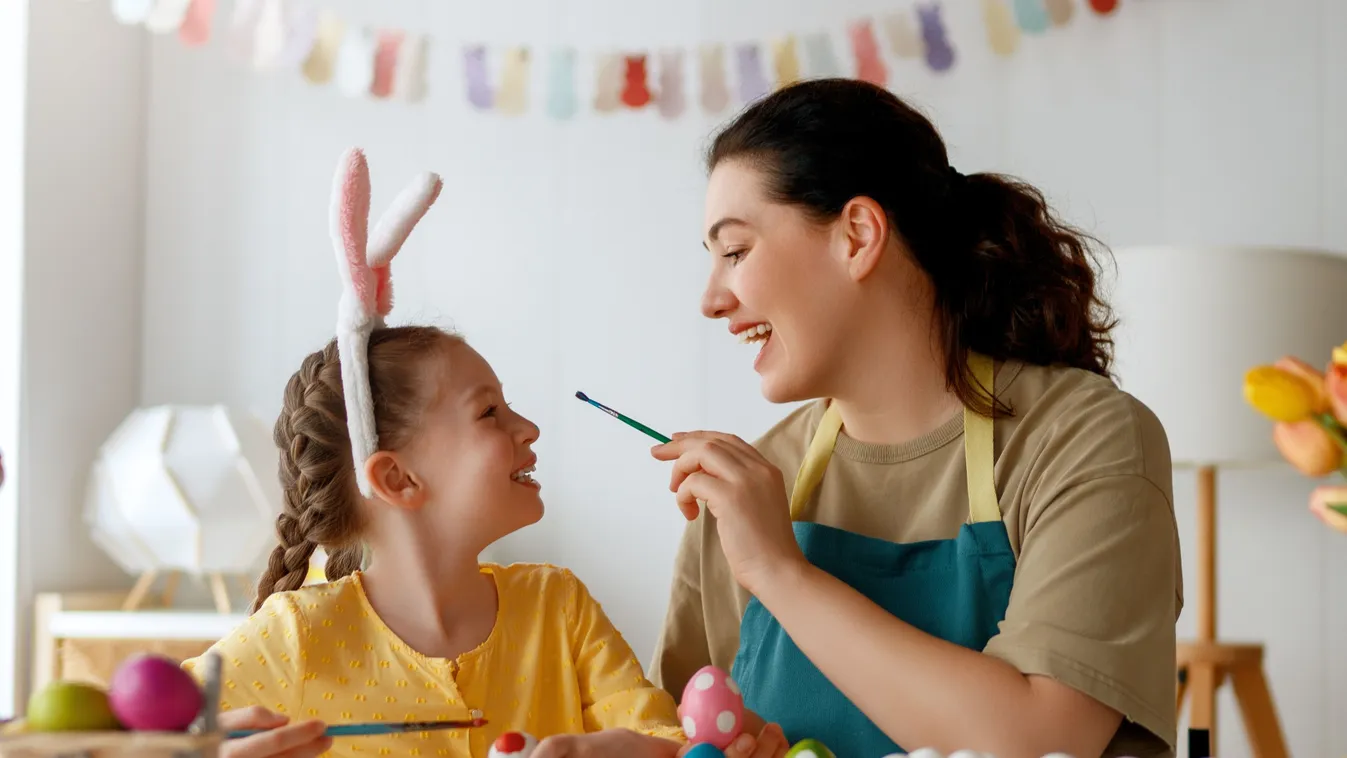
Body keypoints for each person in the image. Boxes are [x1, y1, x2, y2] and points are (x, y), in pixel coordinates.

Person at [184, 148, 788, 758]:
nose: (528, 428)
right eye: (489, 413)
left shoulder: (558, 608)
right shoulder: (297, 637)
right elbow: (123, 736)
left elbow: (664, 738)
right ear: (397, 477)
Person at [649, 79, 1182, 758]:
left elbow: (1041, 738)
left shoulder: (1081, 438)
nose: (711, 300)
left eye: (735, 251)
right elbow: (684, 731)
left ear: (858, 236)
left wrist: (782, 573)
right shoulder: (746, 485)